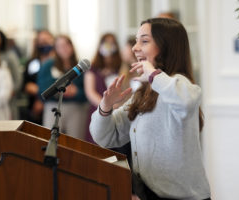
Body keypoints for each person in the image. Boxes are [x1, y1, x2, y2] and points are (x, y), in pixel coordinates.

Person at [89, 18, 211, 200]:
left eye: (144, 41)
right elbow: (106, 137)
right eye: (136, 41)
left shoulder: (180, 83)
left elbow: (184, 101)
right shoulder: (143, 92)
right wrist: (105, 107)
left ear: (166, 47)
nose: (135, 48)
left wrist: (153, 74)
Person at [37, 35, 88, 139]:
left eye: (66, 45)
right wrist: (58, 91)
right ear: (55, 49)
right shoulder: (48, 65)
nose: (63, 48)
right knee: (50, 140)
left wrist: (76, 92)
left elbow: (88, 92)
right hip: (53, 107)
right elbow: (41, 90)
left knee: (76, 142)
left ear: (72, 46)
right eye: (59, 46)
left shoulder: (81, 66)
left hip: (76, 108)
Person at [84, 33, 122, 144]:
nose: (109, 46)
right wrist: (105, 105)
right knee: (96, 142)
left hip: (117, 110)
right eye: (106, 43)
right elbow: (90, 92)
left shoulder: (120, 65)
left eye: (112, 43)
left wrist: (115, 106)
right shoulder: (93, 67)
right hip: (97, 109)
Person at [21, 30, 55, 125]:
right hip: (34, 109)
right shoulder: (32, 63)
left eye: (46, 41)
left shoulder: (57, 63)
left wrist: (44, 97)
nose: (43, 44)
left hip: (54, 106)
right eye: (41, 42)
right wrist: (42, 94)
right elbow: (27, 85)